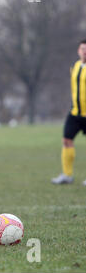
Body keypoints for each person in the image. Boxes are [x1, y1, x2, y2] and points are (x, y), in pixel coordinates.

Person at [51, 39, 86, 185]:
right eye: (82, 48)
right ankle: (67, 175)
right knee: (66, 140)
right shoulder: (75, 66)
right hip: (75, 112)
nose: (85, 51)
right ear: (78, 50)